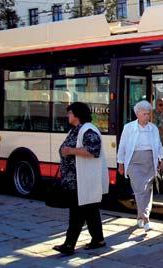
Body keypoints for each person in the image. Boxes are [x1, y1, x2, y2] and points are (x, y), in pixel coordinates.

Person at [53, 102, 109, 256]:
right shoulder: (76, 130)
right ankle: (98, 240)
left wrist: (70, 150)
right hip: (78, 179)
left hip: (81, 181)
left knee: (76, 213)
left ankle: (69, 245)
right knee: (90, 211)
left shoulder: (88, 130)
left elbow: (93, 151)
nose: (67, 116)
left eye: (70, 113)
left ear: (76, 115)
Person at [117, 100, 163, 231]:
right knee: (140, 190)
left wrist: (162, 159)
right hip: (134, 162)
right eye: (144, 114)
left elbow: (159, 145)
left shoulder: (153, 128)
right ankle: (146, 218)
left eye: (148, 114)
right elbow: (122, 146)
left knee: (148, 190)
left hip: (150, 161)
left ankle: (140, 217)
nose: (147, 116)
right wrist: (120, 163)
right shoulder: (128, 128)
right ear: (137, 114)